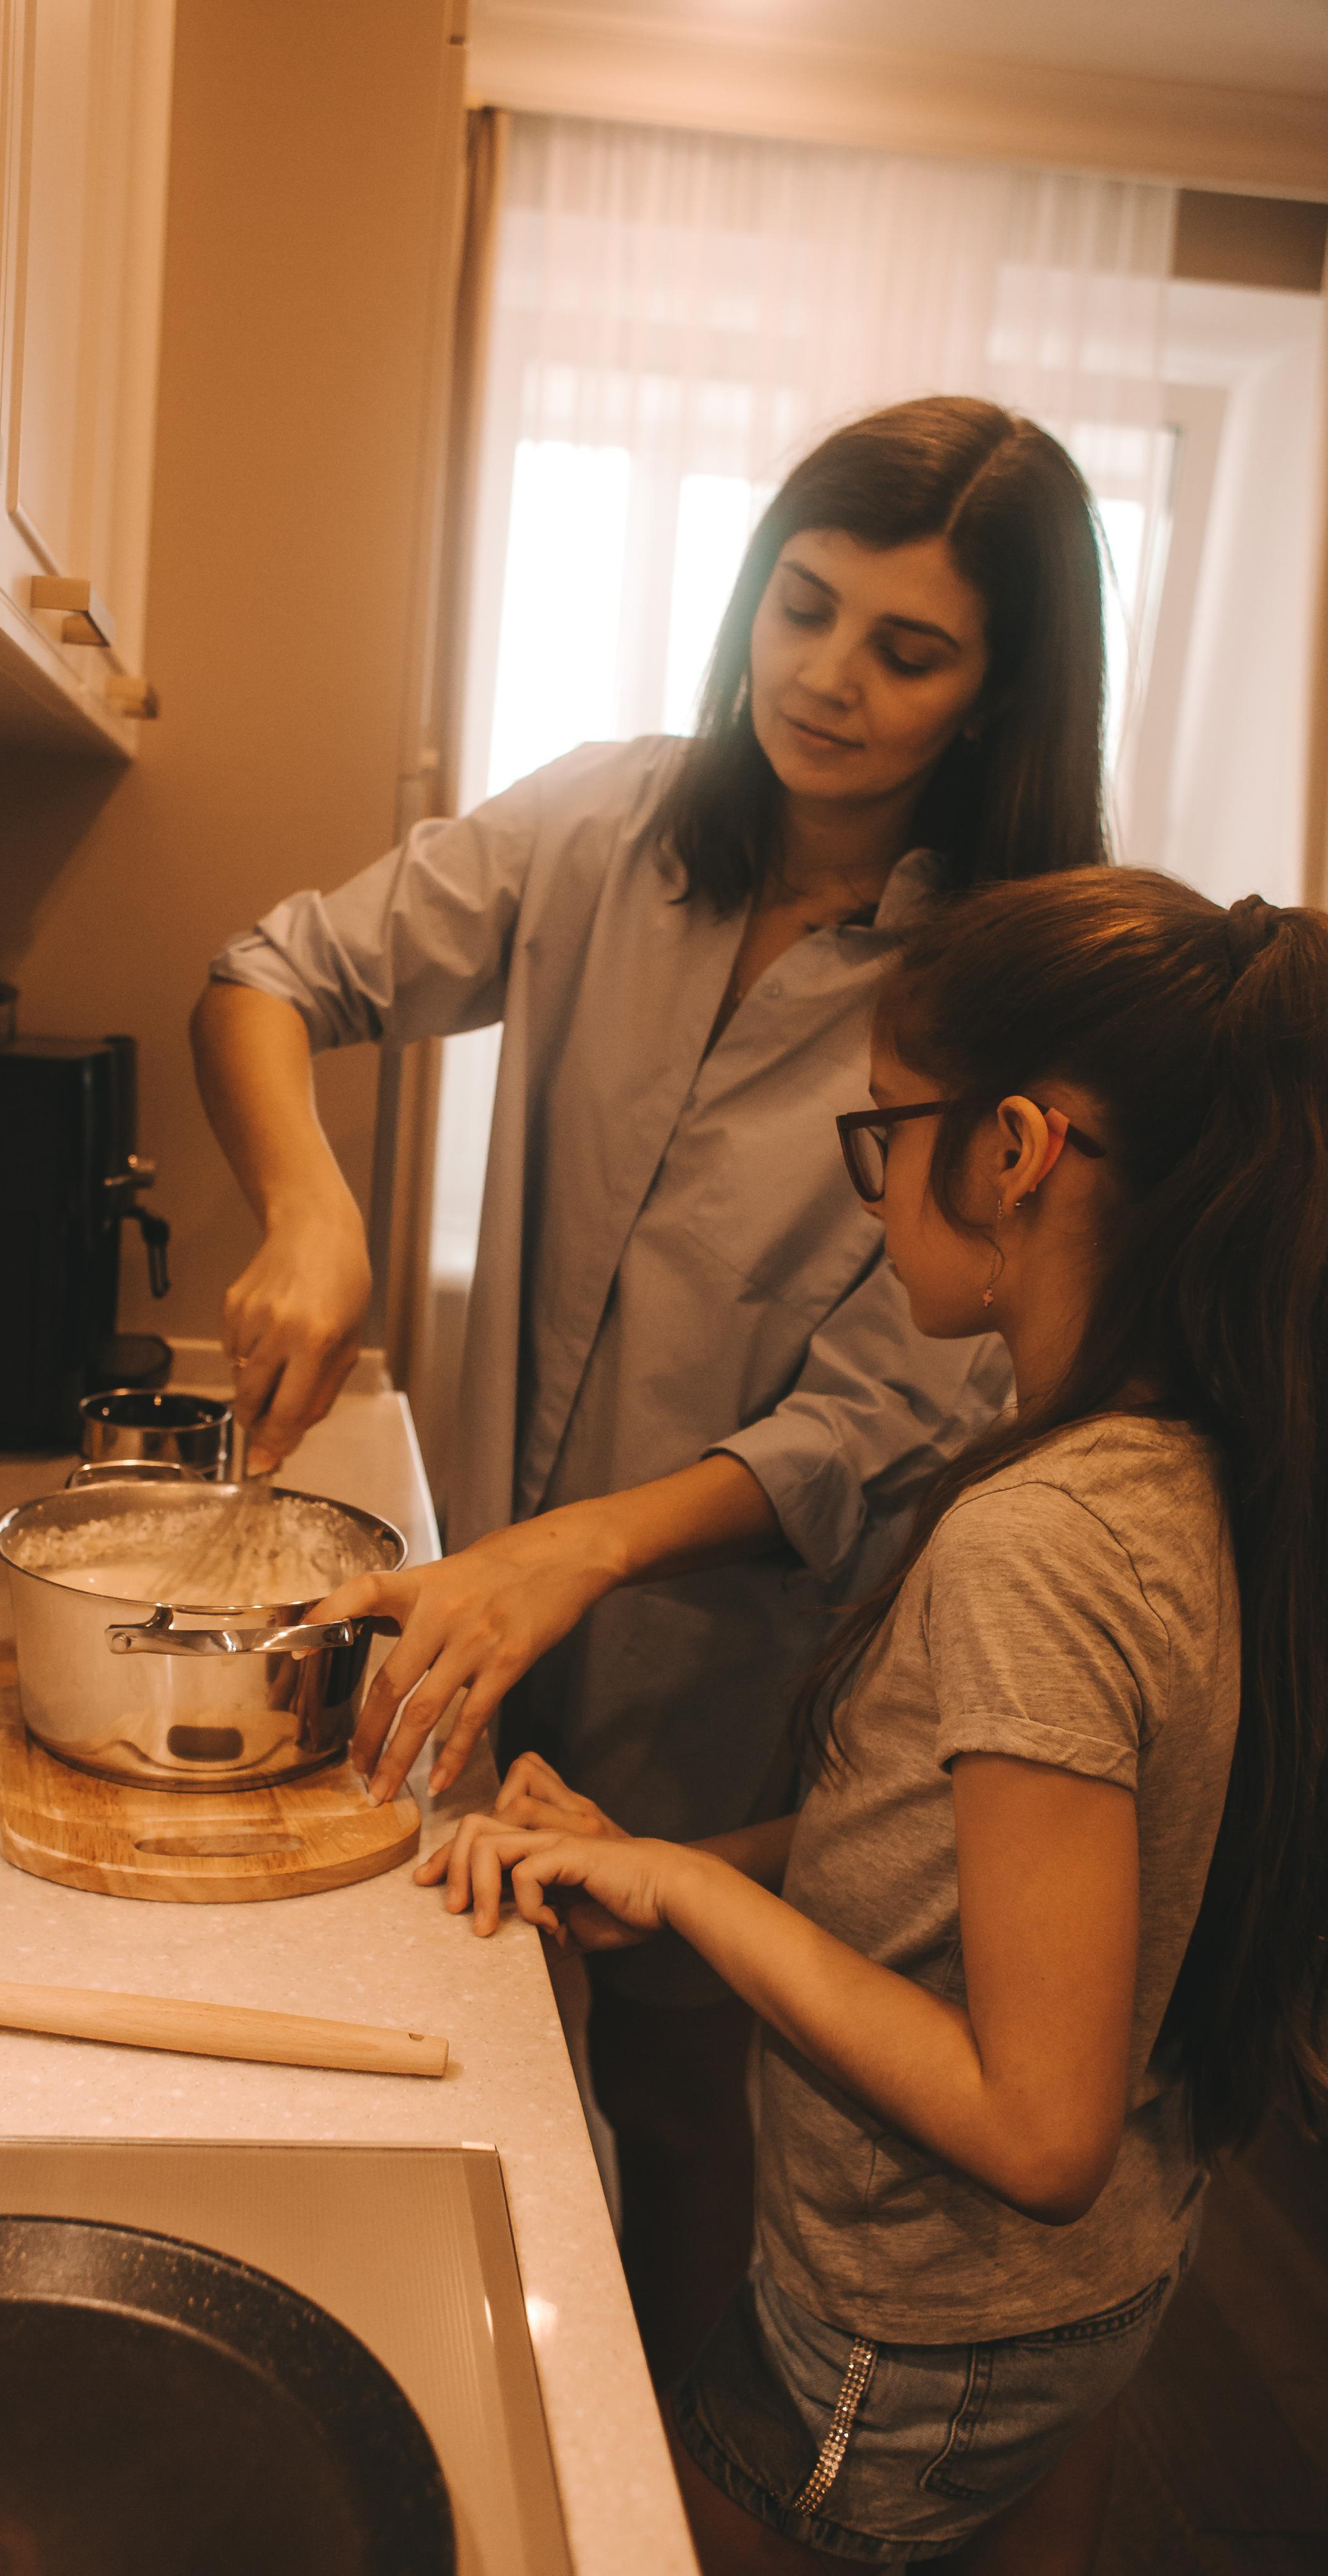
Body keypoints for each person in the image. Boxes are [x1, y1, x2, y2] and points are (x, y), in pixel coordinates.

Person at [192, 396, 1110, 2377]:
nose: (827, 680)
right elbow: (273, 971)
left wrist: (581, 1554)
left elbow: (874, 1419)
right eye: (802, 607)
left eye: (908, 649)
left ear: (997, 694)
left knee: (686, 2105)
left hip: (741, 1665)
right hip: (475, 1615)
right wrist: (311, 1206)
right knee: (460, 2055)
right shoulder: (603, 827)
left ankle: (673, 2464)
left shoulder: (993, 990)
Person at [421, 868, 1328, 2571]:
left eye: (880, 1136)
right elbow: (954, 1853)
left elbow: (1034, 2127)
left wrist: (704, 1899)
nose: (868, 1191)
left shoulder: (1040, 1542)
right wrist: (679, 1860)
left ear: (1012, 1151)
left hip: (923, 2323)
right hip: (1098, 2282)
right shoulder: (1183, 1454)